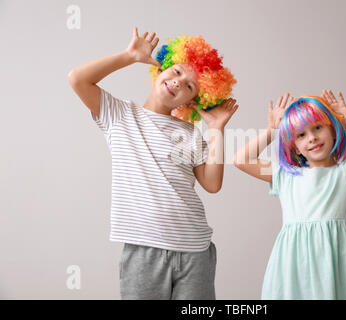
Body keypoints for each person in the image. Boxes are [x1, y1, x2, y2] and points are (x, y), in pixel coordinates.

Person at [68, 27, 238, 299]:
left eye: (190, 86)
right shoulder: (119, 115)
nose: (179, 82)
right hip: (144, 250)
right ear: (161, 69)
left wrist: (217, 128)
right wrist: (129, 56)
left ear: (193, 101)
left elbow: (213, 184)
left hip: (196, 250)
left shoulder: (190, 134)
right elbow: (78, 79)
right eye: (178, 71)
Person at [233, 90, 346, 299]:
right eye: (301, 135)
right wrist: (273, 130)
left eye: (318, 127)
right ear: (296, 148)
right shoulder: (285, 176)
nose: (312, 138)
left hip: (336, 273)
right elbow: (240, 159)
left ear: (333, 130)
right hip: (290, 273)